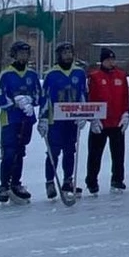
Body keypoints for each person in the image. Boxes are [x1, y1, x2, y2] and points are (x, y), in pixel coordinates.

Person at [39, 42, 89, 199]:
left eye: (70, 52)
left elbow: (83, 95)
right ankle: (50, 182)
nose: (68, 55)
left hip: (71, 120)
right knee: (53, 151)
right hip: (55, 121)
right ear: (59, 55)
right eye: (65, 53)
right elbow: (44, 99)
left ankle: (68, 180)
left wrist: (84, 115)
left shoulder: (79, 73)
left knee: (70, 150)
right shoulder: (51, 75)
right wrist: (43, 119)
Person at [0, 41, 40, 203]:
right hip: (10, 121)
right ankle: (4, 186)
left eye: (26, 54)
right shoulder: (6, 74)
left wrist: (30, 101)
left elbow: (39, 96)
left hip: (26, 120)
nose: (23, 56)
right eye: (20, 53)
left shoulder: (32, 75)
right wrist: (15, 102)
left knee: (20, 152)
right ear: (14, 54)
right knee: (9, 153)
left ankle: (16, 183)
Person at [84, 47, 129, 194]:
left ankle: (117, 179)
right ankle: (91, 181)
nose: (111, 62)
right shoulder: (94, 76)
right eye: (108, 59)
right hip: (101, 122)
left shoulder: (121, 76)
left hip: (117, 121)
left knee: (118, 154)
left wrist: (126, 114)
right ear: (102, 61)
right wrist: (92, 118)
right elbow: (89, 98)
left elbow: (124, 97)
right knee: (95, 154)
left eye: (112, 59)